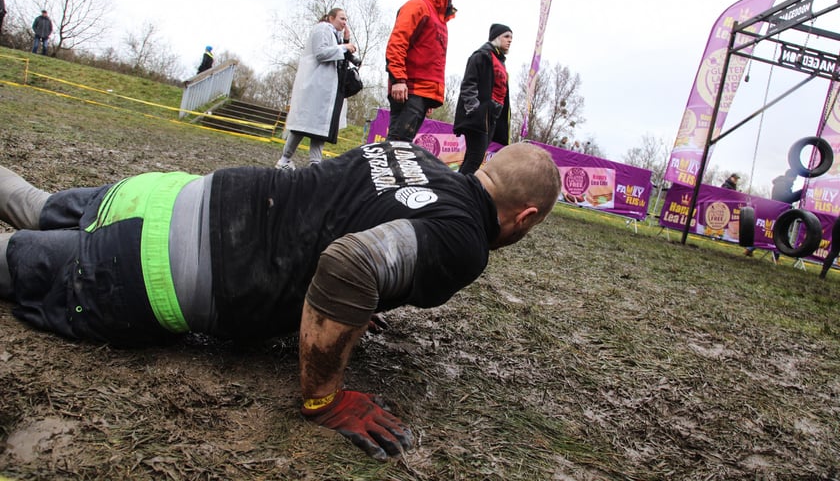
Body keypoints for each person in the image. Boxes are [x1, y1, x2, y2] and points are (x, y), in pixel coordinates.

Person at [0, 140, 561, 461]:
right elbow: (349, 262)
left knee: (32, 204)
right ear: (526, 217)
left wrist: (366, 307)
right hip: (163, 267)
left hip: (178, 192)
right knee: (9, 261)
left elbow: (340, 208)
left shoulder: (411, 153)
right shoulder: (464, 239)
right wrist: (323, 398)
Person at [385, 0, 461, 142]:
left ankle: (376, 171)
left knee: (400, 145)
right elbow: (397, 42)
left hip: (421, 92)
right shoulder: (418, 6)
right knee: (397, 146)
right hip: (409, 89)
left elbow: (431, 58)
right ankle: (364, 171)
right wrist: (398, 79)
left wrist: (430, 97)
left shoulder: (441, 18)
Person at [275, 8, 358, 170]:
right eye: (342, 18)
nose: (344, 22)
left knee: (319, 127)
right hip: (317, 87)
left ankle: (314, 164)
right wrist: (344, 47)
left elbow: (336, 54)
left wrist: (345, 42)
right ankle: (285, 159)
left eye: (346, 19)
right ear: (331, 17)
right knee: (303, 125)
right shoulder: (322, 29)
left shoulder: (335, 35)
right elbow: (321, 53)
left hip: (326, 91)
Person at [453, 23, 512, 174]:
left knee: (474, 157)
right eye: (506, 36)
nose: (510, 40)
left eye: (511, 38)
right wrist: (475, 109)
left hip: (493, 116)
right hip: (480, 114)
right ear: (496, 38)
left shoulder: (501, 62)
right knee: (475, 158)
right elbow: (468, 84)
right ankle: (460, 191)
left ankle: (459, 188)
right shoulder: (482, 55)